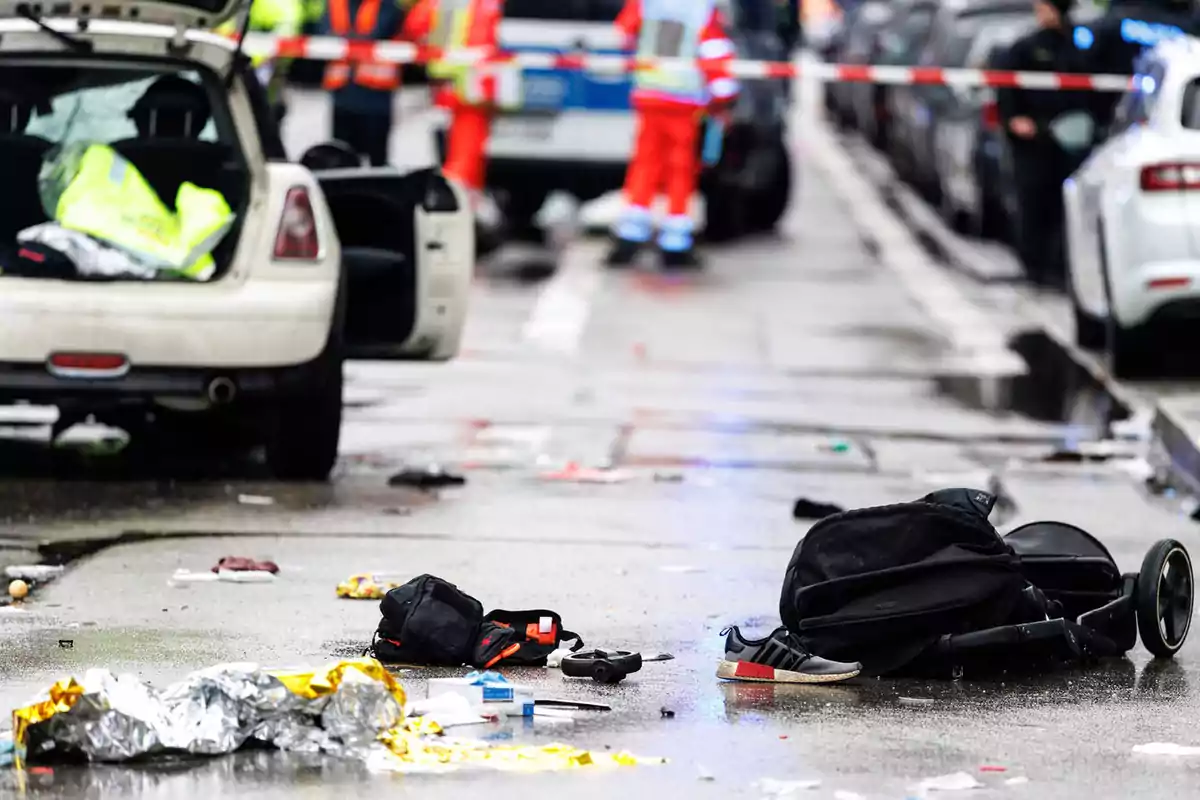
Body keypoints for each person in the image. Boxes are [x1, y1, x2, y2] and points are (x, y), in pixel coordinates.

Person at [606, 0, 741, 270]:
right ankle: (675, 242)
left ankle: (630, 237)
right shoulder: (701, 8)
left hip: (650, 96)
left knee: (644, 167)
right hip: (684, 102)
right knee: (680, 171)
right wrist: (724, 100)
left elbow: (623, 33)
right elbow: (714, 54)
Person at [993, 0, 1093, 289]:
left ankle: (1060, 269)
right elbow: (1007, 87)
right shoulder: (1025, 48)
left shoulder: (1080, 44)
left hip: (1072, 142)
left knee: (1066, 208)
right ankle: (1034, 269)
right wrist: (1013, 120)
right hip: (1034, 142)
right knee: (1034, 206)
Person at [402, 0, 506, 210]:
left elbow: (414, 27)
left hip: (450, 79)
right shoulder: (488, 4)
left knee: (457, 145)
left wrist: (428, 50)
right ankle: (458, 199)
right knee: (467, 147)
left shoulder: (440, 2)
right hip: (476, 82)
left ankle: (455, 197)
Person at [320, 0, 408, 166]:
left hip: (375, 98)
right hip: (343, 95)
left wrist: (344, 40)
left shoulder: (387, 6)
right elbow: (323, 32)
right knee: (341, 159)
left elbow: (380, 31)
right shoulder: (335, 4)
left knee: (377, 161)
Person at [217, 0, 302, 125]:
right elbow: (222, 32)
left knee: (265, 116)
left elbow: (286, 36)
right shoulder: (233, 6)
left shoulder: (279, 5)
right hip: (238, 68)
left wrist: (263, 60)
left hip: (265, 68)